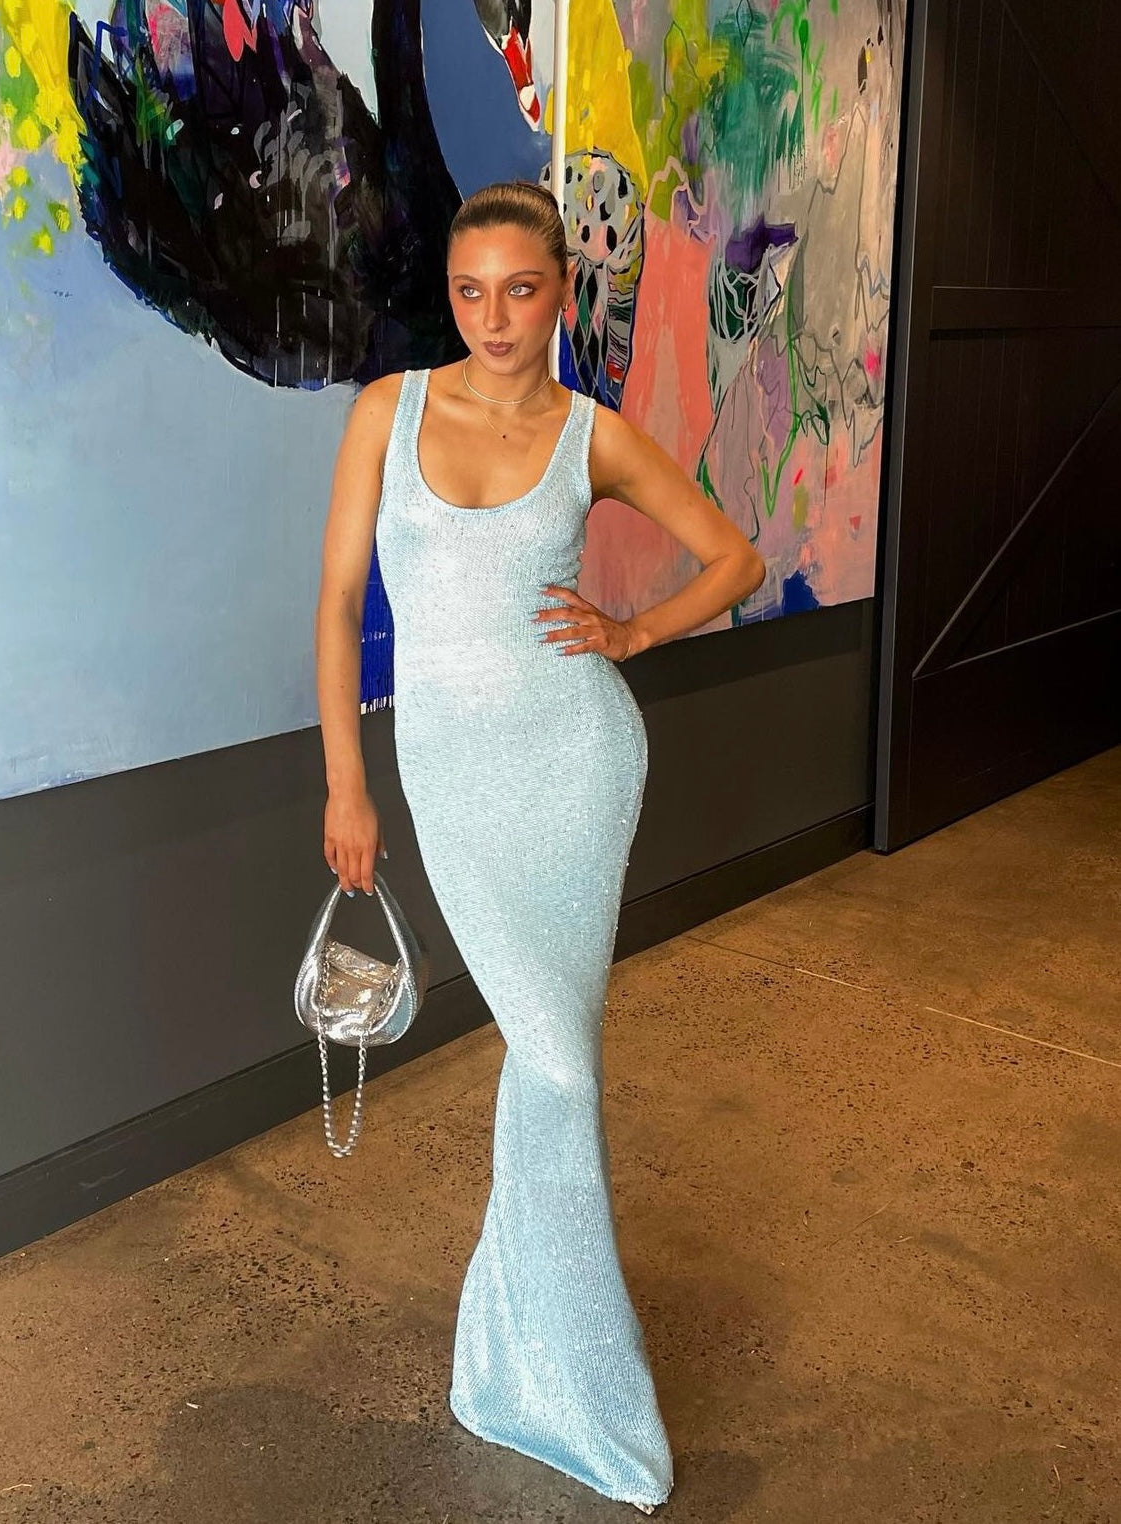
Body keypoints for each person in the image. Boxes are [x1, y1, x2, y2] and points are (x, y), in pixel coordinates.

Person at [315, 180, 765, 1514]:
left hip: (578, 762)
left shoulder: (592, 435)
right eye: (470, 291)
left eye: (521, 290)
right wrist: (347, 785)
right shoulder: (387, 413)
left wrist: (632, 633)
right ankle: (518, 1363)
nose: (494, 317)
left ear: (560, 292)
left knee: (555, 1063)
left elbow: (733, 558)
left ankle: (556, 1383)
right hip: (451, 775)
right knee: (549, 1061)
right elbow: (337, 605)